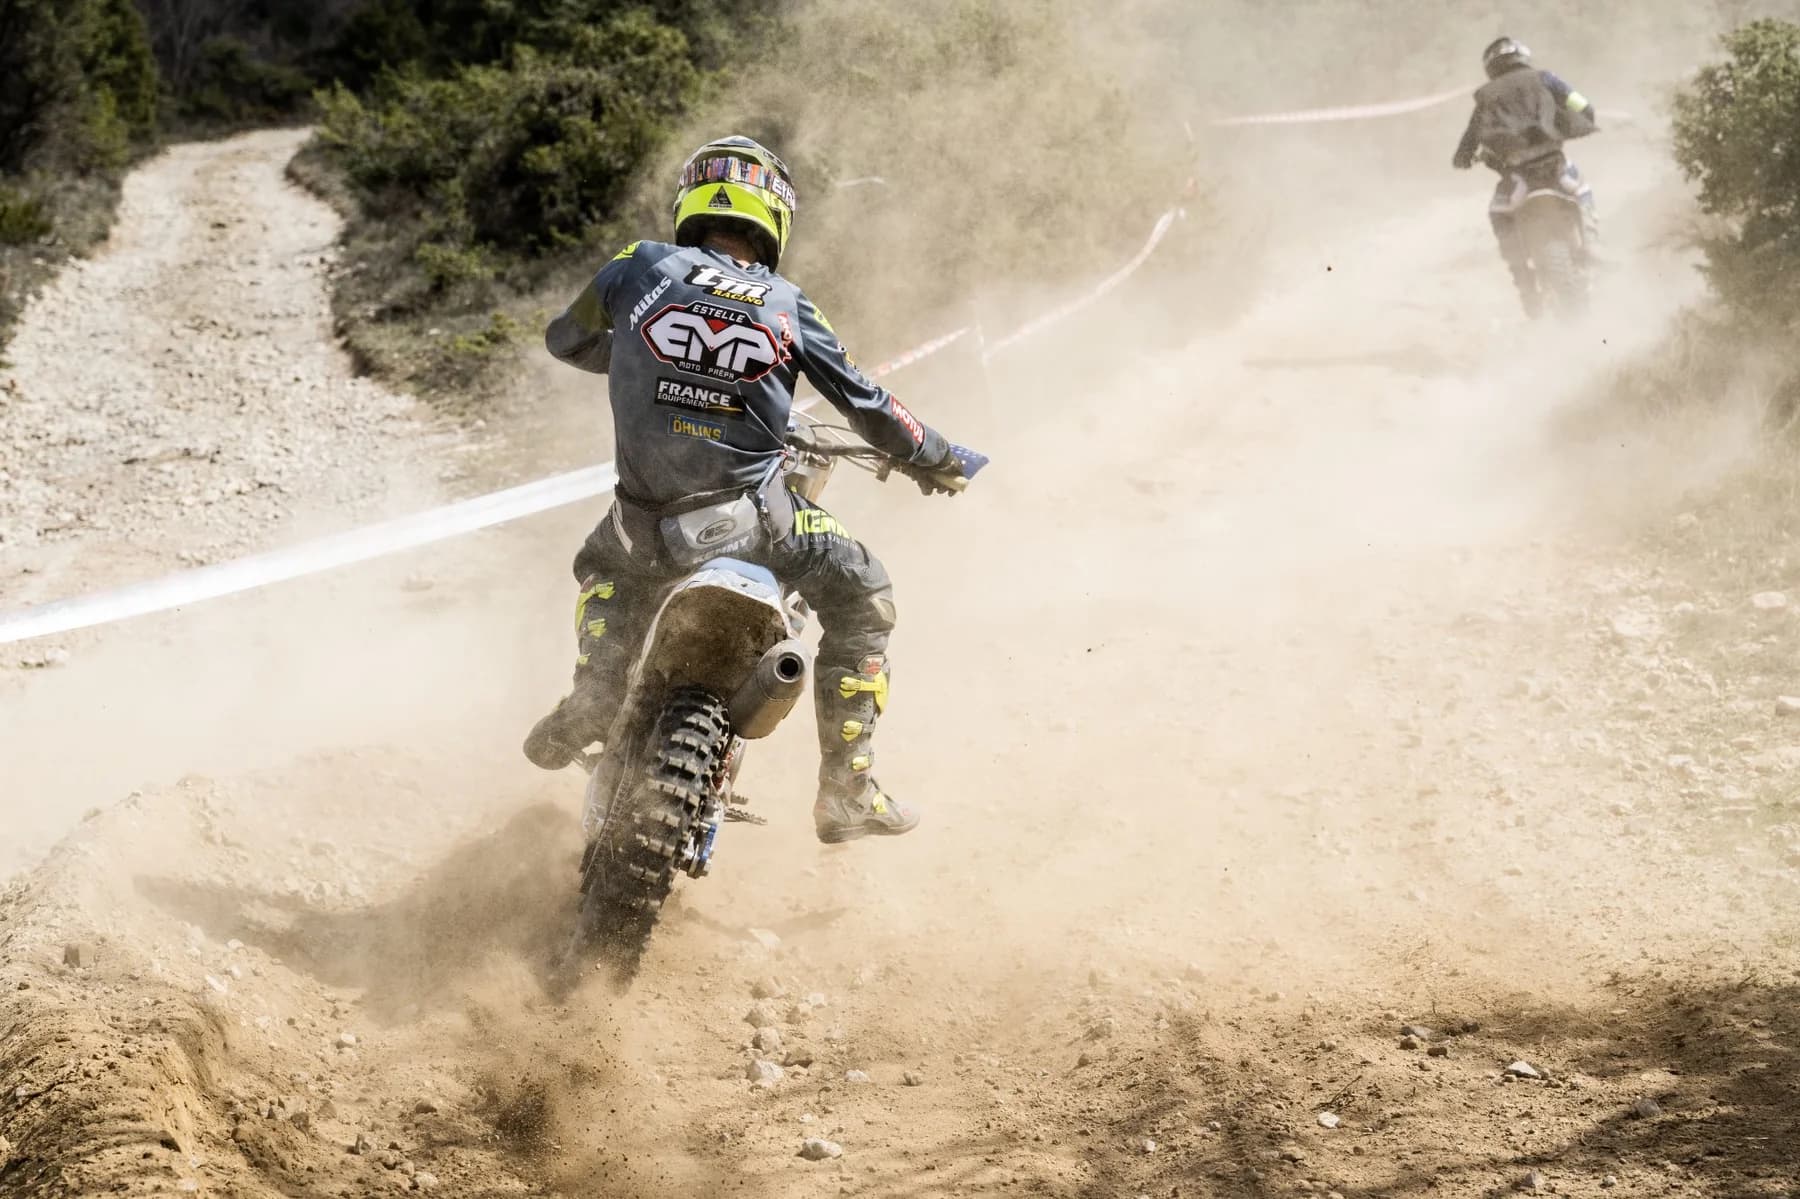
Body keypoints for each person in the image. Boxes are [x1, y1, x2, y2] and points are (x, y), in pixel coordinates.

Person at [523, 135, 974, 844]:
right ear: (776, 218)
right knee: (865, 595)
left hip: (640, 526)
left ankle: (596, 691)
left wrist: (644, 357)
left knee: (602, 564)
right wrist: (940, 456)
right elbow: (871, 406)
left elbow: (565, 339)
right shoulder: (791, 304)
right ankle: (847, 788)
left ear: (690, 203)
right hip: (756, 526)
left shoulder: (636, 266)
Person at [1452, 37, 1600, 314]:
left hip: (1517, 175)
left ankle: (1524, 283)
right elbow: (1582, 104)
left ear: (1490, 66)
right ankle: (1594, 250)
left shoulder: (1485, 96)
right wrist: (1582, 119)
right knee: (1583, 192)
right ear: (1522, 56)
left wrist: (1462, 159)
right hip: (1555, 165)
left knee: (1498, 214)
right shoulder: (1546, 78)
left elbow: (1470, 138)